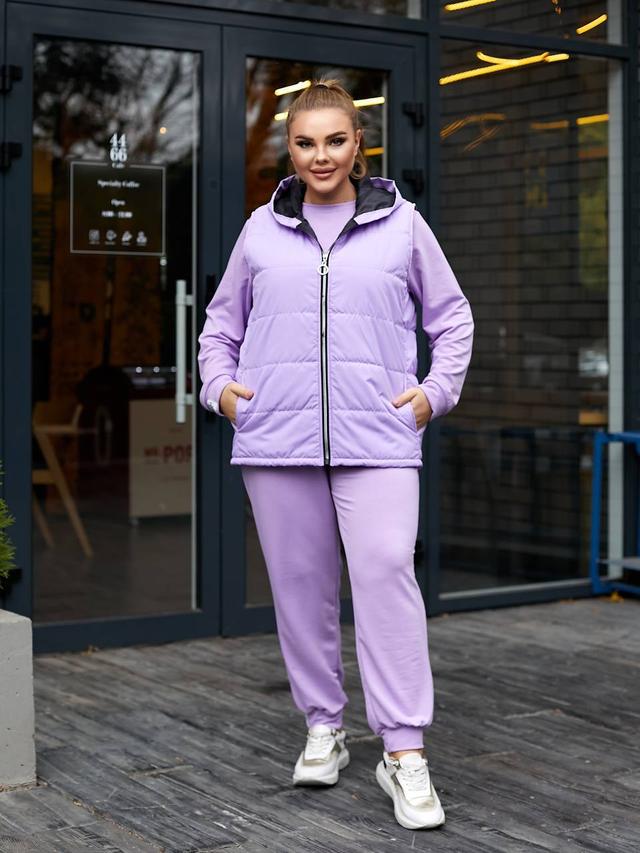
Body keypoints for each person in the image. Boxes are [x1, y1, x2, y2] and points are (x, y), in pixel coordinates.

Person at [198, 78, 474, 832]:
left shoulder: (402, 225)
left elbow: (452, 318)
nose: (320, 156)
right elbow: (219, 327)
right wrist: (221, 390)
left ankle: (403, 749)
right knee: (300, 588)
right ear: (288, 150)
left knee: (385, 573)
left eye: (335, 140)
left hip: (379, 438)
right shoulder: (260, 231)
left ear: (359, 145)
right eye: (305, 142)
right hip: (277, 438)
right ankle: (324, 724)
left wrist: (433, 394)